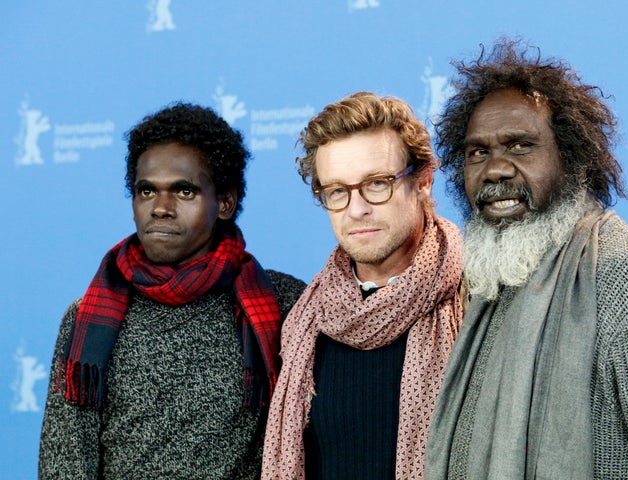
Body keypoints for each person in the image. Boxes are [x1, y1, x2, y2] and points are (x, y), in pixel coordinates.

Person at [425, 37, 628, 479]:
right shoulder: (492, 283)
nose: (495, 169)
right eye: (477, 152)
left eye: (521, 146)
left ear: (573, 158)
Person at [38, 102, 307, 479]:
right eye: (146, 191)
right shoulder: (89, 317)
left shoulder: (280, 301)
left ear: (225, 202)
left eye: (183, 191)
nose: (160, 208)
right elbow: (65, 463)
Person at [261, 92, 464, 479]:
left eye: (376, 183)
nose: (356, 210)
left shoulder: (480, 300)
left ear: (423, 181)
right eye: (337, 191)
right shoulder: (306, 318)